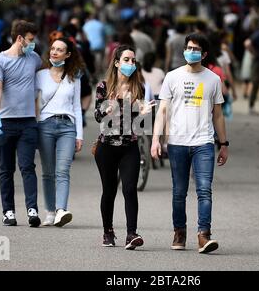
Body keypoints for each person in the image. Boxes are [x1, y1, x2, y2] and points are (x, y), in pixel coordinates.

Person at [151, 33, 229, 253]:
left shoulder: (213, 79)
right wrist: (156, 139)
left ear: (204, 54)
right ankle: (179, 232)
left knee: (204, 190)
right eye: (188, 48)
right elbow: (163, 110)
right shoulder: (172, 77)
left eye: (196, 49)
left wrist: (224, 143)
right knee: (179, 192)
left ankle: (204, 235)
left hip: (204, 142)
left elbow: (218, 115)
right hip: (177, 142)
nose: (191, 51)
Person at [94, 44, 155, 250]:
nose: (131, 63)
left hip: (129, 147)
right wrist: (106, 109)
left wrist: (145, 114)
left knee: (130, 189)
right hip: (107, 147)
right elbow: (97, 117)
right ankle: (108, 232)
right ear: (117, 62)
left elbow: (139, 125)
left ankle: (131, 234)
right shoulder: (104, 87)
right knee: (109, 191)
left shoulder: (140, 88)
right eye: (127, 60)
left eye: (133, 60)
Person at [0, 20, 42, 227]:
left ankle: (32, 209)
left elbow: (47, 74)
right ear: (20, 38)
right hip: (5, 122)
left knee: (27, 166)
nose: (33, 43)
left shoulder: (34, 59)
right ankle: (8, 211)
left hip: (28, 122)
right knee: (6, 169)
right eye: (30, 40)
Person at [36, 37, 83, 227]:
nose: (54, 52)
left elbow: (77, 106)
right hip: (45, 125)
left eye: (60, 49)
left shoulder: (74, 76)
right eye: (53, 49)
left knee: (63, 170)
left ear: (68, 54)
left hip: (67, 127)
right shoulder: (40, 75)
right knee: (48, 172)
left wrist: (79, 134)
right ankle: (49, 211)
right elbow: (31, 101)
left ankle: (61, 210)